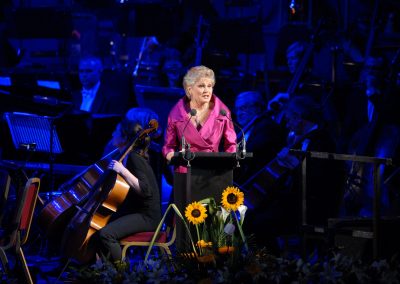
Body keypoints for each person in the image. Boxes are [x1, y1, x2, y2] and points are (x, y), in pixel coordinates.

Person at [243, 95, 344, 255]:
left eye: (289, 119)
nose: (287, 124)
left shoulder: (321, 141)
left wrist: (294, 166)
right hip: (292, 201)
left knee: (256, 224)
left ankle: (273, 265)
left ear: (299, 118)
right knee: (248, 218)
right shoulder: (300, 140)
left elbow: (318, 180)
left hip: (309, 206)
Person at [94, 117, 162, 264]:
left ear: (124, 137)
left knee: (106, 235)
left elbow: (145, 191)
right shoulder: (127, 156)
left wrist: (122, 171)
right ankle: (102, 270)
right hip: (137, 211)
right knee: (98, 227)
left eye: (116, 131)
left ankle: (122, 275)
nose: (112, 134)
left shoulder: (133, 158)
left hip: (147, 217)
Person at [233, 91, 286, 185]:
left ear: (257, 107)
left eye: (243, 108)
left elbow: (252, 152)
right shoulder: (241, 130)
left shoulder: (267, 127)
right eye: (237, 109)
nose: (239, 113)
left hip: (257, 184)